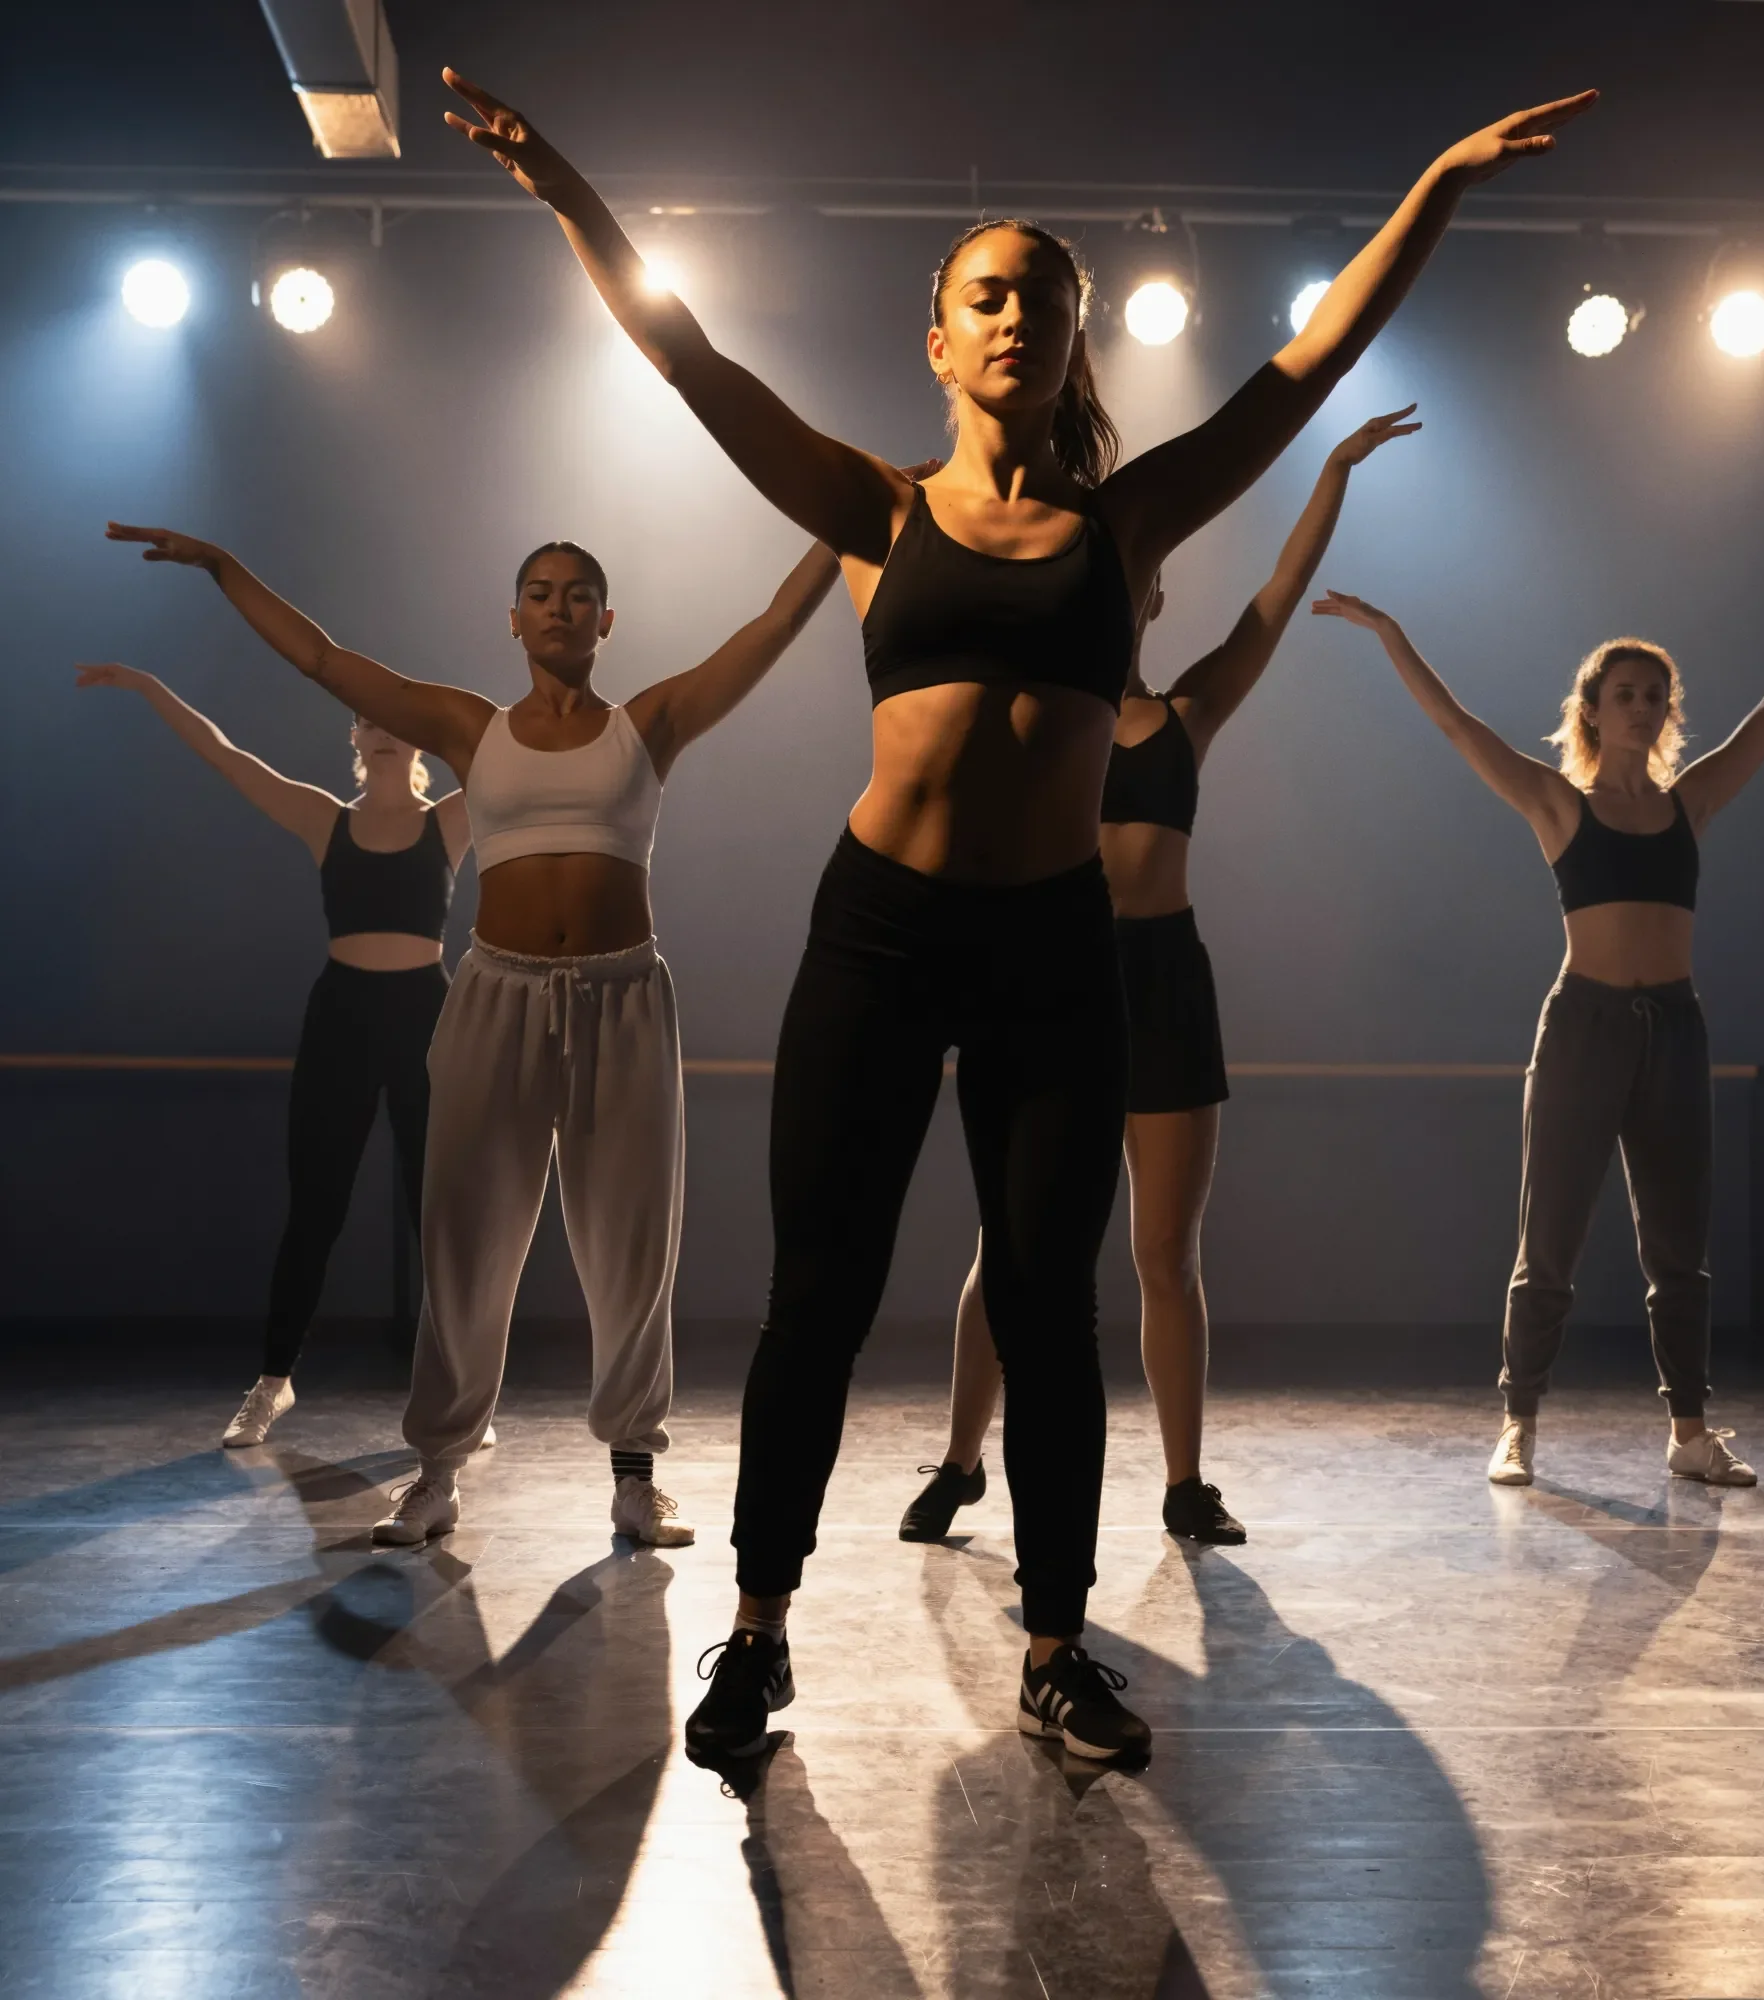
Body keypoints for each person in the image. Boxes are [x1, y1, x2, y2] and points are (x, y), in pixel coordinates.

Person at [441, 62, 1596, 1762]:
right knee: (818, 1297)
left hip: (1056, 942)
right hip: (880, 934)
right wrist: (560, 188)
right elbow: (690, 358)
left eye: (1047, 305)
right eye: (988, 295)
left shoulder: (1125, 517)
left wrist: (1433, 179)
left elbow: (1312, 361)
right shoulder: (875, 506)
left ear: (1074, 344)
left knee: (1054, 1303)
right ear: (939, 334)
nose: (1016, 321)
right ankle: (757, 1634)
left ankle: (1056, 1644)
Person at [105, 519, 845, 1547]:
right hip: (495, 999)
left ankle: (635, 1474)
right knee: (462, 1237)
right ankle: (437, 1470)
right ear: (513, 618)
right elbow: (324, 658)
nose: (557, 604)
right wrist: (227, 566)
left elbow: (767, 628)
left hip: (622, 996)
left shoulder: (649, 722)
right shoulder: (466, 727)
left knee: (632, 1242)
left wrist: (841, 531)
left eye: (577, 592)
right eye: (539, 591)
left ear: (603, 618)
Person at [900, 408, 1421, 1553]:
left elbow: (1274, 600)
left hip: (1164, 983)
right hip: (1046, 974)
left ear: (1145, 603)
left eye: (1129, 586)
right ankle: (957, 1460)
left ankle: (1185, 1481)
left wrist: (1327, 470)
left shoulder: (1184, 713)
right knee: (1011, 1247)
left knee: (1162, 1253)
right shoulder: (1027, 713)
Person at [1314, 581, 1764, 1487]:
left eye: (1653, 694)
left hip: (1674, 1028)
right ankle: (1517, 1425)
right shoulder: (1561, 805)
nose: (1641, 705)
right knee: (1548, 1239)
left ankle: (1689, 1432)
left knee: (1680, 1244)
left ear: (1666, 711)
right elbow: (1455, 725)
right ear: (1592, 712)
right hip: (1583, 1027)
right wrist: (1390, 632)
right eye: (1623, 693)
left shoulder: (1693, 803)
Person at [74, 666, 470, 1448]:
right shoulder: (322, 818)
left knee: (443, 1217)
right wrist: (153, 688)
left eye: (395, 721)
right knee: (314, 1209)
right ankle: (272, 1382)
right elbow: (225, 755)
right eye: (367, 721)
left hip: (428, 1019)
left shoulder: (454, 819)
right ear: (355, 737)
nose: (382, 731)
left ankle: (459, 1390)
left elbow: (533, 752)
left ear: (418, 739)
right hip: (343, 1018)